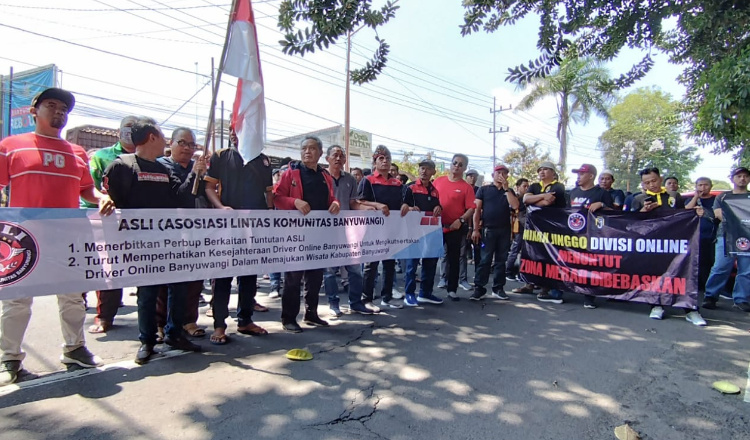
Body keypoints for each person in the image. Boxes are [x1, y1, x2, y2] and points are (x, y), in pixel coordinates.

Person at [0, 88, 111, 385]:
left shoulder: (75, 152)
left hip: (66, 236)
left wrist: (100, 197)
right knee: (17, 300)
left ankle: (74, 349)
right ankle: (9, 359)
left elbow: (86, 189)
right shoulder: (11, 146)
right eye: (52, 105)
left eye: (64, 108)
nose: (59, 111)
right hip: (24, 239)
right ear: (34, 111)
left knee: (73, 297)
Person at [102, 118, 204, 363]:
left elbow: (182, 199)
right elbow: (111, 200)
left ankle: (174, 333)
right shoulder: (122, 166)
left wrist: (195, 174)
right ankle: (147, 340)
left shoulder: (164, 170)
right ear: (151, 138)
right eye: (163, 137)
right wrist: (105, 201)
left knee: (178, 289)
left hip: (169, 242)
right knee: (147, 293)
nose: (166, 143)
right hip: (141, 244)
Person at [203, 128, 273, 344]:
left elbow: (269, 193)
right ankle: (219, 325)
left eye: (241, 129)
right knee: (222, 276)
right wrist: (221, 206)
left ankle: (245, 320)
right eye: (232, 130)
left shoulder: (263, 161)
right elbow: (209, 187)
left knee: (249, 274)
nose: (235, 134)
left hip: (254, 225)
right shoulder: (221, 156)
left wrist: (269, 218)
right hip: (226, 225)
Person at [274, 136, 340, 332]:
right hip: (296, 234)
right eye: (304, 148)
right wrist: (294, 202)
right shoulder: (290, 173)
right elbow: (276, 197)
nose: (307, 152)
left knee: (315, 276)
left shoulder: (325, 175)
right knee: (293, 277)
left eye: (312, 148)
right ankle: (288, 318)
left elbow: (332, 198)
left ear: (320, 153)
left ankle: (311, 314)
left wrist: (336, 203)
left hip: (319, 234)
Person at [630, 167, 706, 325]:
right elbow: (631, 223)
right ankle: (656, 305)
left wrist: (695, 212)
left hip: (674, 242)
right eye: (647, 182)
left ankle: (691, 310)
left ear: (660, 178)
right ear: (642, 184)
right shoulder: (638, 199)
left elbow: (683, 215)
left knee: (682, 274)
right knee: (654, 276)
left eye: (654, 180)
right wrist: (644, 211)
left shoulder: (673, 196)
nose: (651, 184)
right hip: (651, 245)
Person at [84, 115, 138, 334]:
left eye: (134, 128)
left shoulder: (150, 158)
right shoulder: (102, 156)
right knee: (110, 269)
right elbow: (89, 188)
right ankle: (105, 316)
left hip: (140, 224)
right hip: (109, 221)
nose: (130, 132)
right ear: (118, 131)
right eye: (127, 127)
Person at [156, 127, 208, 339]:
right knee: (163, 281)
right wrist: (195, 174)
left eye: (191, 144)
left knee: (195, 279)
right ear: (171, 143)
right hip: (169, 233)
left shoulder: (199, 169)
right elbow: (179, 196)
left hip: (196, 232)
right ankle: (159, 323)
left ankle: (188, 320)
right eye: (182, 143)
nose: (187, 148)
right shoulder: (161, 166)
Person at [321, 145, 371, 315]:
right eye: (334, 155)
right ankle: (333, 303)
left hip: (348, 231)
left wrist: (367, 209)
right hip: (326, 231)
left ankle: (355, 302)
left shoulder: (350, 178)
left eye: (341, 156)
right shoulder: (320, 177)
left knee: (356, 269)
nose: (338, 158)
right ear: (327, 158)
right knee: (329, 271)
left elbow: (353, 203)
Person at [356, 145, 406, 309]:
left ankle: (387, 297)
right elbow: (359, 202)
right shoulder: (368, 180)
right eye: (381, 159)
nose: (385, 162)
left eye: (388, 159)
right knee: (371, 266)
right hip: (372, 230)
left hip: (392, 230)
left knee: (390, 265)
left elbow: (401, 205)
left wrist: (409, 208)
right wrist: (377, 205)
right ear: (375, 162)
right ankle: (366, 299)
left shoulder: (397, 183)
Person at [702, 167, 750, 313]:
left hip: (747, 237)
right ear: (732, 179)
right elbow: (719, 215)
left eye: (745, 176)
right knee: (721, 267)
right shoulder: (722, 197)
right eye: (739, 176)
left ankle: (741, 299)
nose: (742, 179)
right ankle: (710, 296)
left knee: (746, 270)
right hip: (726, 236)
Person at [470, 164, 519, 301]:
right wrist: (475, 229)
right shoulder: (484, 190)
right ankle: (479, 288)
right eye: (499, 173)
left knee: (501, 260)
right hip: (488, 229)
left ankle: (498, 288)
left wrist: (506, 189)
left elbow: (515, 206)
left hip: (504, 230)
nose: (501, 175)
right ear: (493, 175)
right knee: (485, 259)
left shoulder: (509, 191)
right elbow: (477, 210)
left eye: (504, 173)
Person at [568, 164, 613, 309]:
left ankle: (589, 296)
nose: (578, 176)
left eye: (582, 174)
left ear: (591, 176)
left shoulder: (600, 192)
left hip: (593, 235)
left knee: (590, 265)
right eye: (578, 174)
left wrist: (602, 204)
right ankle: (562, 290)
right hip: (573, 234)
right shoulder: (573, 192)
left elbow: (613, 213)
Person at [433, 154, 475, 301]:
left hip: (454, 228)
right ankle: (427, 290)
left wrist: (461, 220)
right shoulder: (438, 181)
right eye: (455, 163)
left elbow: (471, 208)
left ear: (464, 168)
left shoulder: (466, 187)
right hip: (435, 227)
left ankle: (452, 289)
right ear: (450, 164)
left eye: (460, 164)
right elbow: (430, 199)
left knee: (454, 259)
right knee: (431, 259)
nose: (456, 166)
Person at [523, 161, 567, 303]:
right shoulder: (535, 186)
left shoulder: (558, 186)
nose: (542, 172)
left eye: (546, 169)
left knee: (551, 256)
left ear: (553, 173)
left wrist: (533, 200)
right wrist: (541, 196)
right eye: (540, 169)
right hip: (535, 228)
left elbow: (547, 202)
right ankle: (532, 283)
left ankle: (550, 288)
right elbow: (525, 199)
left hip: (553, 228)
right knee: (534, 254)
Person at [401, 158, 443, 306]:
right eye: (421, 168)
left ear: (433, 172)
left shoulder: (435, 190)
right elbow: (402, 206)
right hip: (413, 231)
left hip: (430, 232)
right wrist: (410, 208)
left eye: (427, 168)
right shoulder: (410, 188)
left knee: (430, 262)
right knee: (412, 264)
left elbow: (437, 206)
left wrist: (439, 208)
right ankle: (409, 294)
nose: (424, 171)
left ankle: (425, 293)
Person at [685, 177, 717, 292]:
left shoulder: (716, 199)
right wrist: (696, 197)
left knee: (712, 262)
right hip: (696, 237)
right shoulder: (691, 199)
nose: (703, 188)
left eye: (706, 185)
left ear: (710, 186)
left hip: (713, 237)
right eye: (700, 185)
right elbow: (686, 210)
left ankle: (710, 286)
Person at [506, 178, 529, 281]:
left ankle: (521, 273)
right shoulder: (515, 198)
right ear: (518, 187)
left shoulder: (528, 198)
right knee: (515, 249)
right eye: (524, 186)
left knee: (524, 251)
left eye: (528, 186)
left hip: (527, 227)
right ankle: (509, 271)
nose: (526, 188)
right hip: (518, 227)